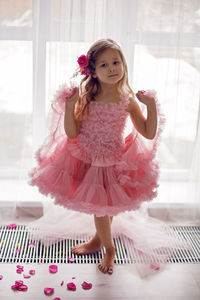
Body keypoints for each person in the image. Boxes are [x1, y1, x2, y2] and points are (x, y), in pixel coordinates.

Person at [28, 38, 187, 276]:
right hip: (88, 157)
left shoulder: (127, 99)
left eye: (115, 62)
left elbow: (148, 131)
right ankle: (107, 246)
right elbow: (72, 133)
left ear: (123, 64)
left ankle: (99, 241)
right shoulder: (87, 98)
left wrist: (150, 106)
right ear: (92, 71)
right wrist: (71, 105)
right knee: (101, 206)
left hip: (113, 158)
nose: (112, 68)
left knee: (106, 203)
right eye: (103, 65)